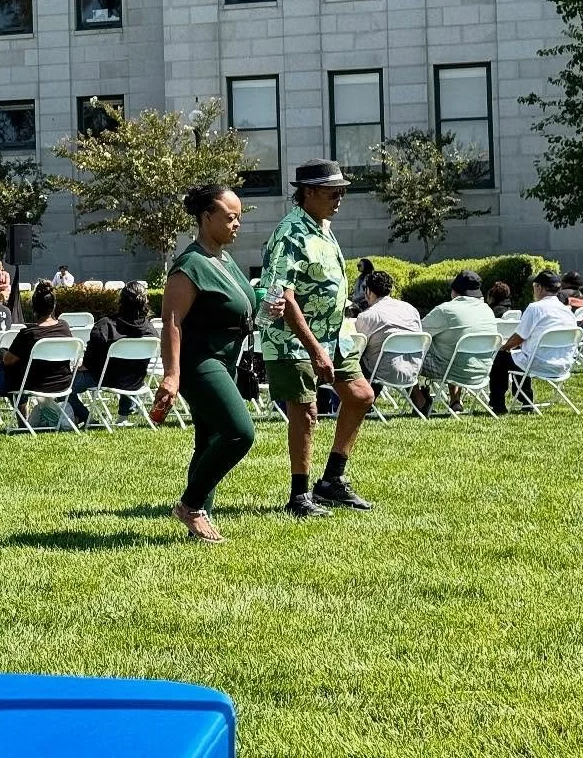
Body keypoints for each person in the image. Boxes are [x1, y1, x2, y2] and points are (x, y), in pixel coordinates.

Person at [260, 160, 377, 518]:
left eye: (342, 192)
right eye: (332, 193)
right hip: (293, 339)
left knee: (360, 396)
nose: (340, 199)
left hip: (332, 336)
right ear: (308, 193)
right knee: (306, 411)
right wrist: (314, 351)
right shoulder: (289, 233)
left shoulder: (321, 227)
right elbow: (283, 295)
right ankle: (299, 497)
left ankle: (331, 482)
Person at [146, 186, 256, 542]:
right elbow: (172, 322)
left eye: (239, 216)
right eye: (230, 217)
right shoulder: (189, 264)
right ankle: (191, 505)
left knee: (208, 438)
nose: (237, 223)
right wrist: (172, 375)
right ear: (206, 217)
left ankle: (198, 519)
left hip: (225, 360)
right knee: (240, 432)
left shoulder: (222, 259)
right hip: (199, 361)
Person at [0, 282, 73, 434]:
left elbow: (8, 360)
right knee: (16, 373)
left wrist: (3, 352)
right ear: (53, 306)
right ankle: (22, 422)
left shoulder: (29, 334)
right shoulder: (64, 328)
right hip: (62, 383)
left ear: (33, 307)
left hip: (33, 384)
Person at [65, 281, 155, 428]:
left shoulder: (105, 326)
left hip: (103, 378)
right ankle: (123, 415)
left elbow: (89, 362)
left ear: (121, 301)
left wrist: (81, 366)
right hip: (134, 381)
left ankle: (88, 419)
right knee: (128, 369)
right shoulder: (150, 331)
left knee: (61, 387)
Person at [489, 270, 576, 414]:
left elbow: (519, 337)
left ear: (539, 288)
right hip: (563, 364)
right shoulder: (567, 311)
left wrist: (504, 347)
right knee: (519, 356)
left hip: (539, 363)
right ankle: (525, 400)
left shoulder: (535, 308)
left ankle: (498, 404)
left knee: (501, 357)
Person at [418, 270, 498, 409]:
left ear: (454, 291)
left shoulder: (445, 310)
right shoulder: (487, 310)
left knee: (407, 355)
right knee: (451, 348)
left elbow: (418, 334)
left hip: (450, 370)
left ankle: (419, 401)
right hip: (482, 370)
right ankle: (455, 400)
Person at [354, 271, 423, 392]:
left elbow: (358, 347)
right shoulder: (410, 309)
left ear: (368, 291)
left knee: (353, 358)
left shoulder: (368, 316)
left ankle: (362, 401)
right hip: (413, 368)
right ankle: (419, 400)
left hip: (383, 371)